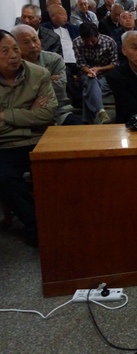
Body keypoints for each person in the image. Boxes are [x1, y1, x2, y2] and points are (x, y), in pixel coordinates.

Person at [0, 29, 57, 246]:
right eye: (5, 51)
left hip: (41, 138)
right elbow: (37, 117)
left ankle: (66, 218)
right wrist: (29, 114)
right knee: (4, 177)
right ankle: (37, 224)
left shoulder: (39, 74)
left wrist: (5, 115)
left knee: (69, 165)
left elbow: (47, 114)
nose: (13, 55)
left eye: (15, 49)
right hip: (7, 145)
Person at [11, 24, 81, 125]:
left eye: (35, 40)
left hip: (59, 112)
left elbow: (60, 88)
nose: (33, 45)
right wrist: (47, 81)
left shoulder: (54, 59)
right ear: (15, 46)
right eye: (26, 42)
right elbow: (14, 97)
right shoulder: (13, 65)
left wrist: (27, 87)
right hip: (27, 115)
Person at [74, 22, 118, 124]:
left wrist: (99, 69)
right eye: (86, 41)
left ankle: (88, 122)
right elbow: (81, 64)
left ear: (97, 35)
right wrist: (89, 71)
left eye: (92, 40)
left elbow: (114, 63)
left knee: (88, 90)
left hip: (106, 74)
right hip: (86, 74)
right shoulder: (77, 42)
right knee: (91, 80)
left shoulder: (109, 41)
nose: (90, 43)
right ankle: (101, 111)